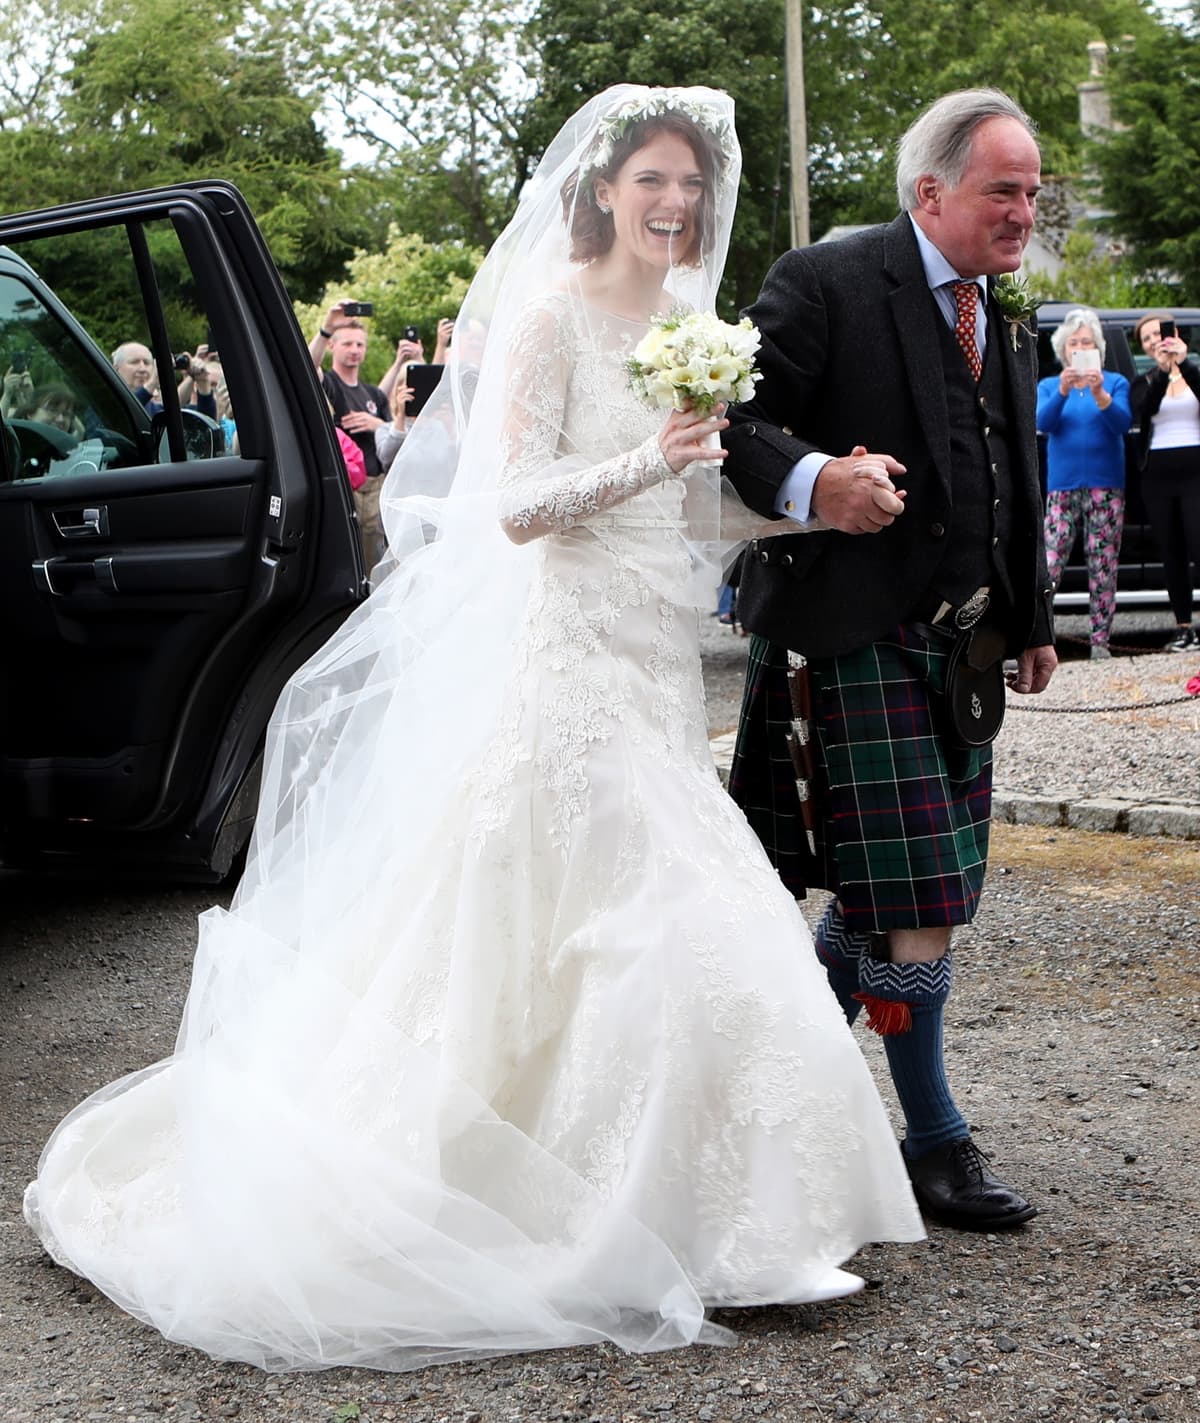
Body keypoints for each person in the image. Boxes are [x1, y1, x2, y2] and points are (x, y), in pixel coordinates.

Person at [24, 85, 922, 1375]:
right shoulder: (552, 315)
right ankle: (625, 1217)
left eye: (692, 187)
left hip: (654, 659)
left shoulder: (690, 326)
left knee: (654, 906)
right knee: (661, 905)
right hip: (562, 662)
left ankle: (717, 1210)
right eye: (653, 181)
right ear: (605, 190)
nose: (675, 205)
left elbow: (688, 516)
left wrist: (808, 512)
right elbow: (506, 509)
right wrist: (653, 459)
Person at [723, 88, 1057, 1233]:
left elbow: (1014, 473)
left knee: (893, 900)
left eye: (1030, 190)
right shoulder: (826, 279)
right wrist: (819, 480)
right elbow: (735, 424)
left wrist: (1036, 615)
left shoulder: (999, 311)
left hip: (961, 648)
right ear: (931, 191)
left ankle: (771, 1107)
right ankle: (934, 1141)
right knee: (917, 905)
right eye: (1002, 189)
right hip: (849, 631)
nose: (1024, 209)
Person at [1036, 307, 1132, 658]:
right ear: (1064, 350)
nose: (1080, 346)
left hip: (1106, 486)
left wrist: (1100, 394)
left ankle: (1100, 643)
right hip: (1062, 487)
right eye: (1074, 342)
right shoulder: (1049, 385)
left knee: (1103, 563)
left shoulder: (1114, 382)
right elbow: (1043, 423)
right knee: (1050, 563)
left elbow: (1121, 423)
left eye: (1087, 341)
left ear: (1097, 348)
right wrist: (1063, 391)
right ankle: (1037, 639)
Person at [1131, 312, 1200, 651]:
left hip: (1195, 472)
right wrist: (1161, 372)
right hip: (1157, 476)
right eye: (1147, 339)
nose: (1156, 341)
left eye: (1160, 333)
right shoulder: (1143, 381)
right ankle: (1183, 627)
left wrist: (1184, 365)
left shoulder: (1193, 372)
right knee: (1172, 552)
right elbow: (1142, 410)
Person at [309, 307, 394, 479]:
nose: (354, 350)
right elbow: (306, 366)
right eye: (347, 344)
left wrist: (378, 425)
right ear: (331, 346)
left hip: (376, 485)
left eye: (360, 344)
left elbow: (396, 436)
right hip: (343, 483)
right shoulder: (329, 383)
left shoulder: (374, 393)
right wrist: (327, 329)